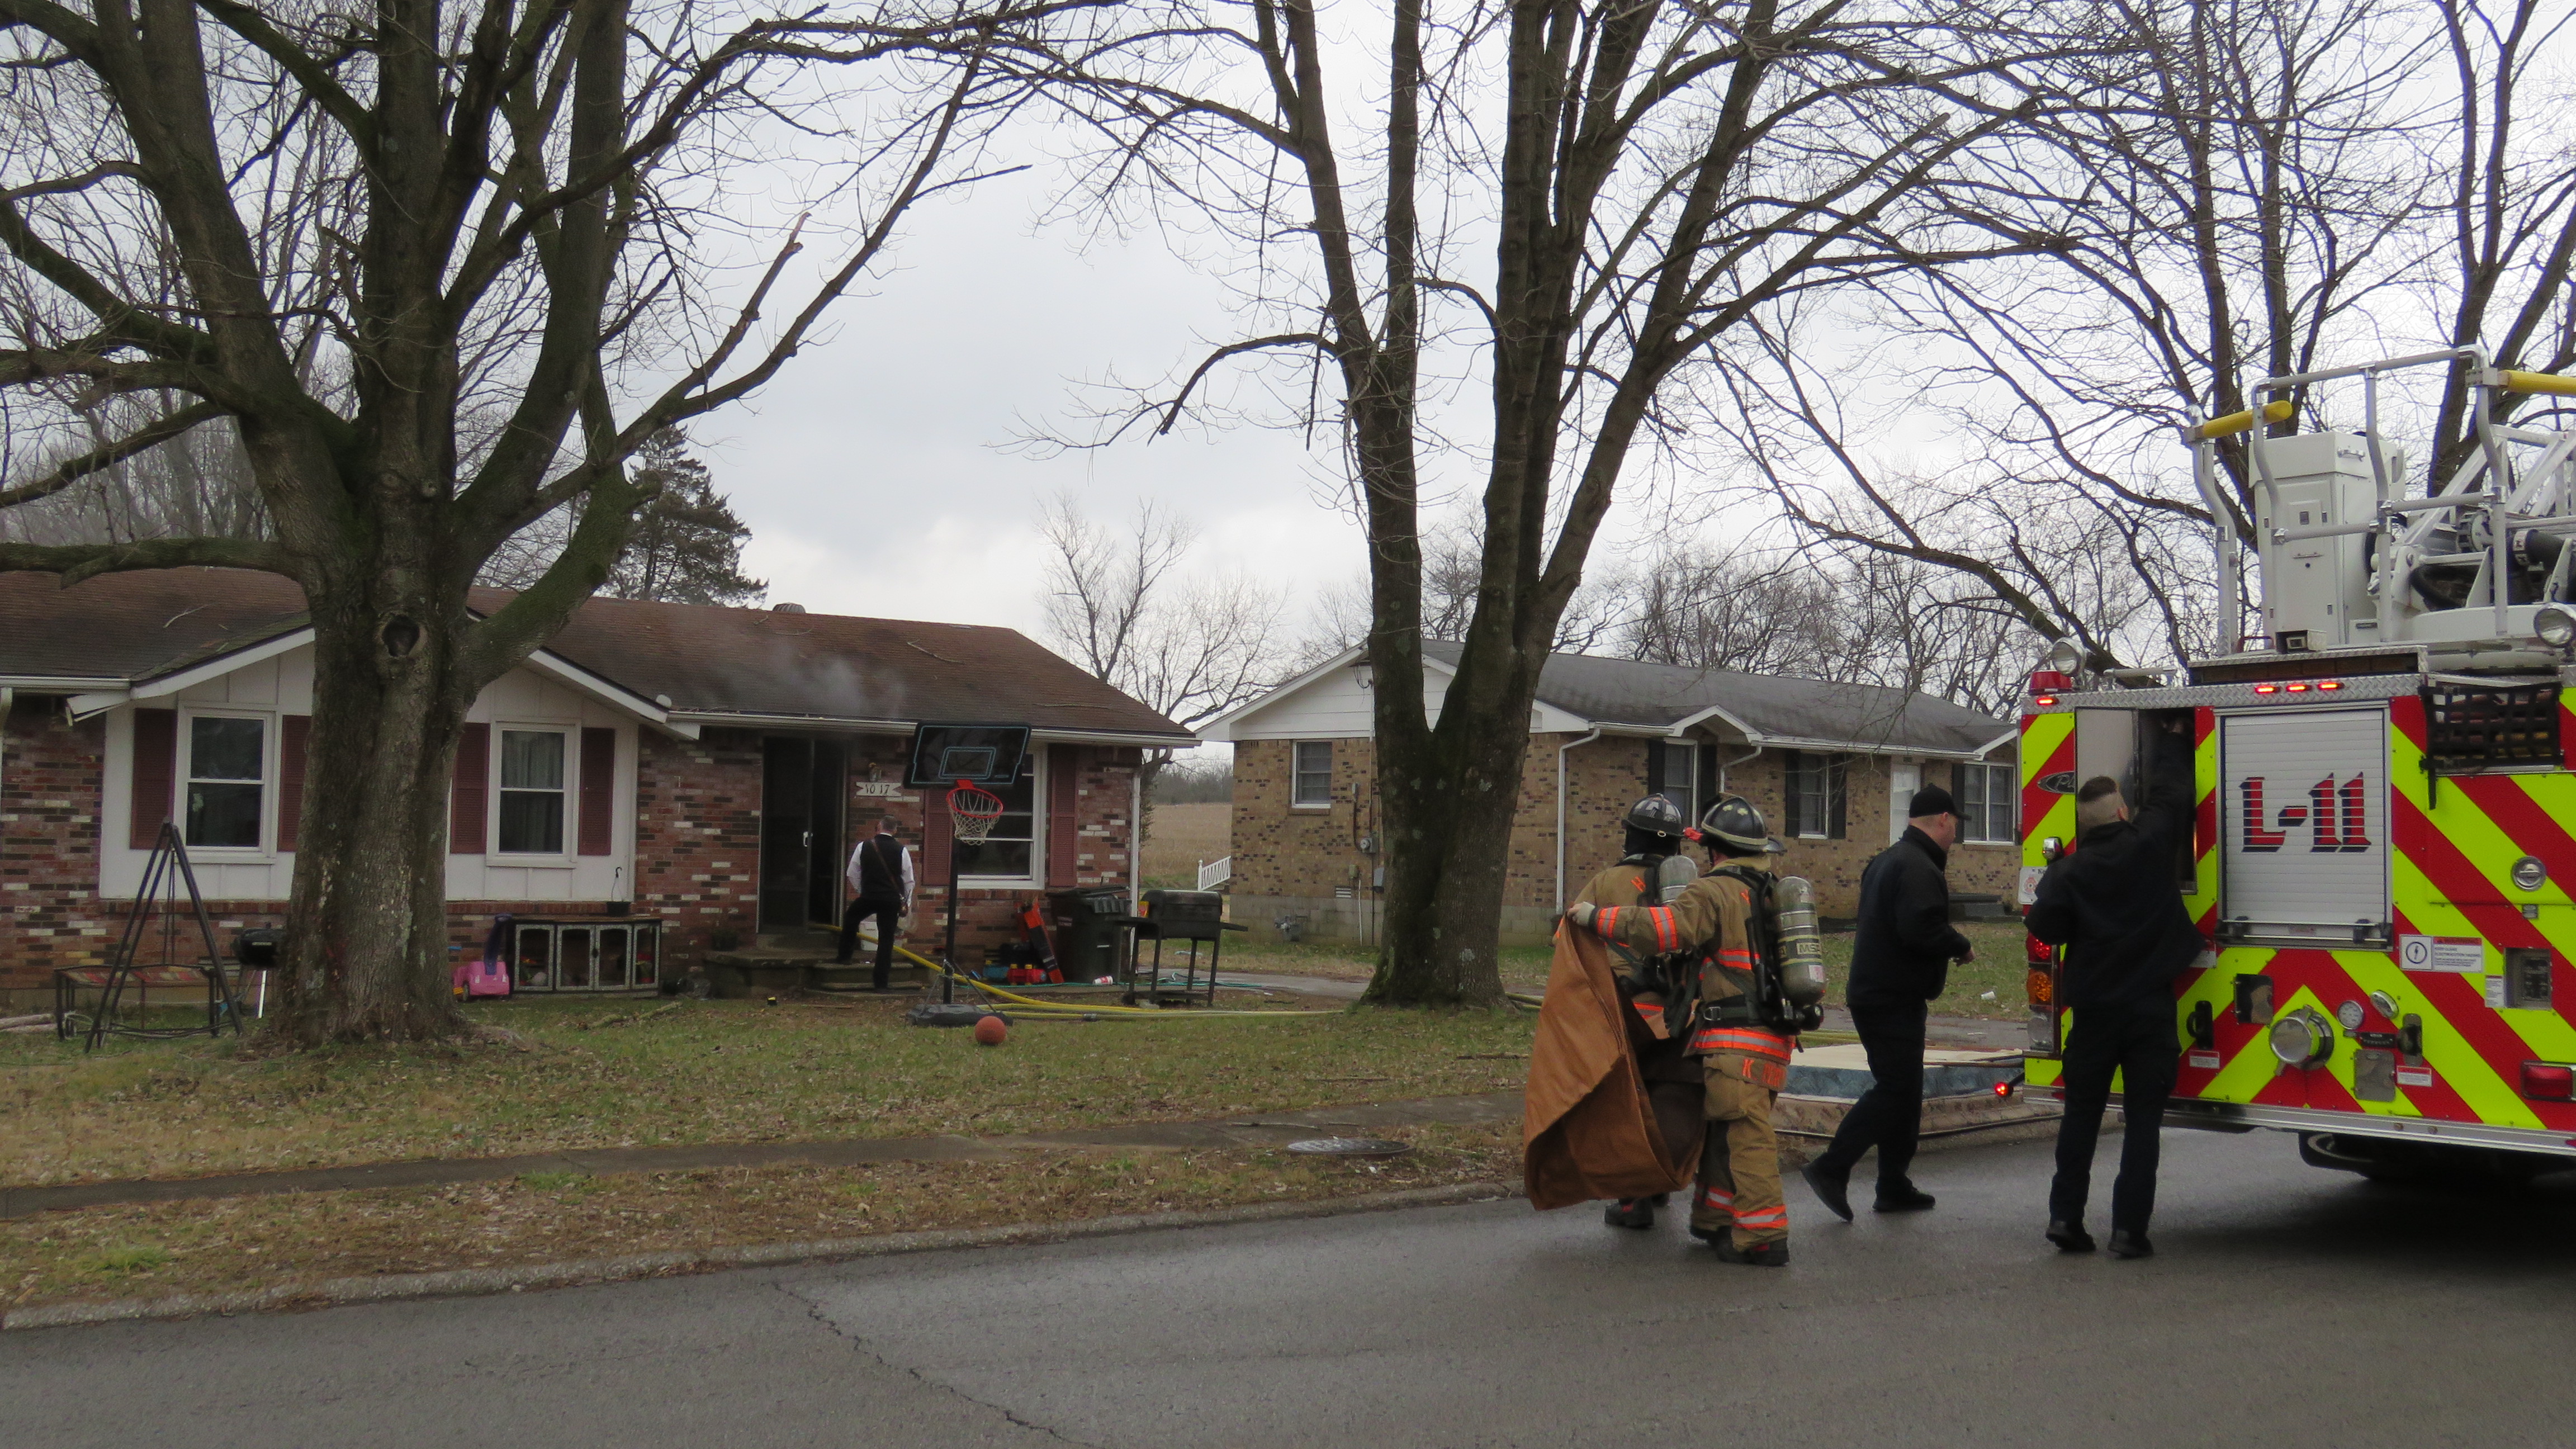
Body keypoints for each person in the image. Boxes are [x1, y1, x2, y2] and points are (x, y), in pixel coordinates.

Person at [1571, 795, 1795, 1267]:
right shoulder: (1772, 888)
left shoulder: (1713, 891)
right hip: (1774, 1032)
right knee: (1720, 1131)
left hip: (1738, 1036)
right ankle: (1715, 1221)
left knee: (1746, 1135)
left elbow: (1664, 931)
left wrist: (1595, 917)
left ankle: (1763, 1237)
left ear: (1715, 850)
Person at [2029, 719, 2197, 1259]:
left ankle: (2065, 1218)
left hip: (2094, 1015)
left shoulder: (2068, 874)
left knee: (2080, 1116)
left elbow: (2045, 929)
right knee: (2142, 1123)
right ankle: (2129, 1231)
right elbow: (2172, 796)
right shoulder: (2149, 844)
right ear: (2123, 811)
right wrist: (2172, 740)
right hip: (2148, 1011)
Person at [1800, 784, 1973, 1223]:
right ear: (1944, 820)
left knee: (1906, 1090)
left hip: (1880, 991)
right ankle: (1831, 1167)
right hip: (1890, 996)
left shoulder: (1888, 860)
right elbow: (1920, 927)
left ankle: (1893, 1183)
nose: (1955, 835)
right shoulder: (1918, 867)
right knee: (1896, 1088)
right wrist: (1960, 945)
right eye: (1955, 825)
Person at [1571, 794, 1703, 1232]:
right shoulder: (1694, 888)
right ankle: (1662, 1183)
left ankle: (1633, 1203)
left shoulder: (1605, 882)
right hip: (1683, 1013)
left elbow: (1567, 941)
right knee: (1672, 1103)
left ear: (1631, 834)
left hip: (1624, 1013)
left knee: (1629, 1106)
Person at [834, 814, 915, 989]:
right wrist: (905, 902)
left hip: (869, 896)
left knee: (851, 918)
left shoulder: (864, 846)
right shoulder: (902, 850)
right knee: (886, 939)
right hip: (891, 899)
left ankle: (845, 956)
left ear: (879, 827)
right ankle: (881, 982)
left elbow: (852, 873)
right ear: (895, 830)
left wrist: (863, 890)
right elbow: (909, 880)